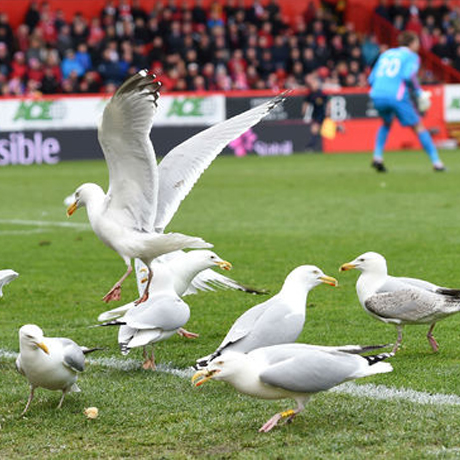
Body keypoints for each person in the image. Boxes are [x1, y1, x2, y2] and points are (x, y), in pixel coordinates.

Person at [368, 31, 445, 172]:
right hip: (396, 95)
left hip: (376, 94)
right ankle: (437, 162)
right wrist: (419, 92)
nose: (418, 45)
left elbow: (371, 79)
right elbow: (408, 76)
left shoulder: (386, 54)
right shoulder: (411, 56)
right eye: (417, 42)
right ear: (412, 43)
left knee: (386, 123)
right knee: (418, 127)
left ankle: (377, 156)